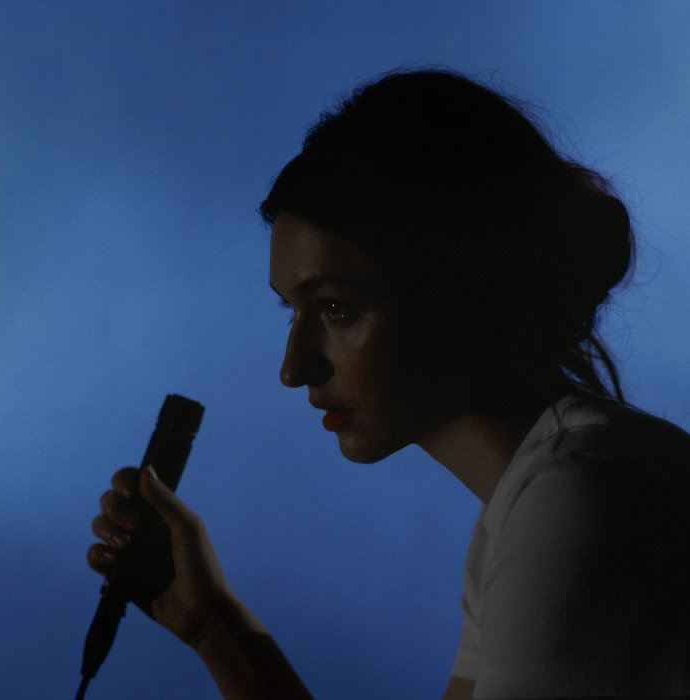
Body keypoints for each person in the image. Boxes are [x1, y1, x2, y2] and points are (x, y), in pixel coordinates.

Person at [87, 69, 690, 699]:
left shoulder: (582, 498)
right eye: (292, 311)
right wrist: (213, 625)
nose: (294, 369)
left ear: (467, 288)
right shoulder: (528, 505)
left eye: (336, 308)